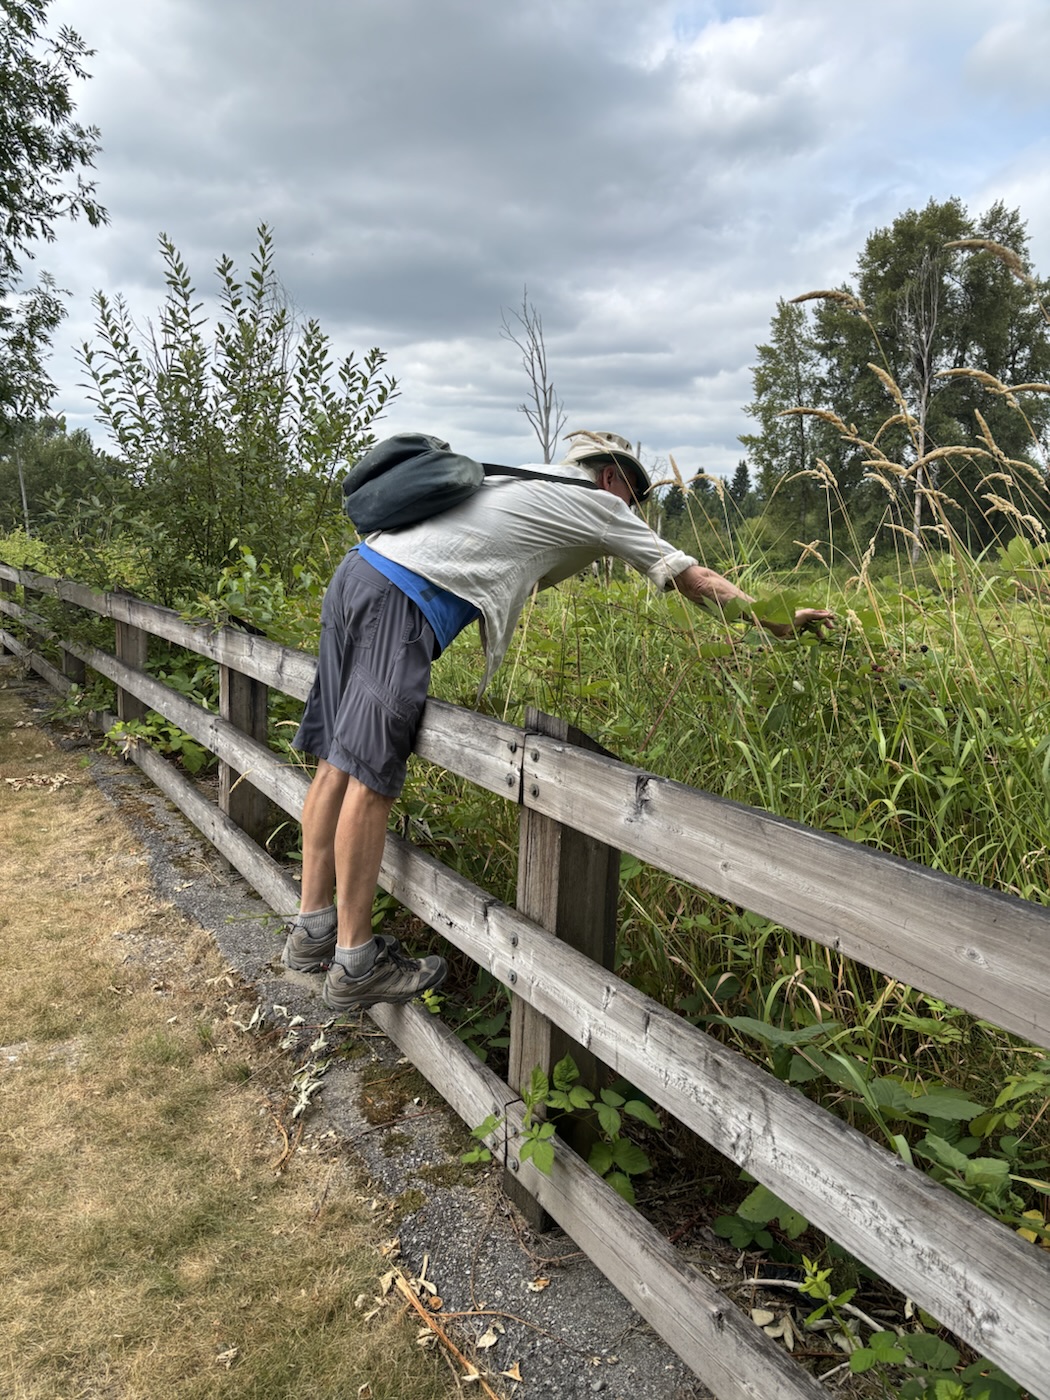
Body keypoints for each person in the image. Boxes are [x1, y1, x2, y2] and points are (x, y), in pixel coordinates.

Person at [281, 429, 833, 1012]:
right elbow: (691, 578)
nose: (633, 512)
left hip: (357, 575)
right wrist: (776, 620)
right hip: (401, 598)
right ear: (614, 478)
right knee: (370, 779)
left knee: (334, 767)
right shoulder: (598, 506)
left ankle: (311, 931)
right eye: (635, 499)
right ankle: (355, 963)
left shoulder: (518, 477)